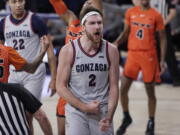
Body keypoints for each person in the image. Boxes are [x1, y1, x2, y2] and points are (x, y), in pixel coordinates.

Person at [56, 6, 119, 135]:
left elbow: (114, 87)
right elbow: (60, 86)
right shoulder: (69, 50)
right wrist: (84, 107)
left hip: (101, 110)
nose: (97, 27)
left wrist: (110, 116)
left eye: (99, 23)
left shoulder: (111, 50)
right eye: (92, 23)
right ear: (83, 27)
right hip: (77, 111)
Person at [0, 0, 56, 135]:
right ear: (9, 3)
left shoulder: (35, 20)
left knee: (30, 113)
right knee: (18, 115)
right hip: (13, 73)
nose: (18, 4)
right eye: (14, 1)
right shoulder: (3, 23)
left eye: (21, 1)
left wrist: (54, 78)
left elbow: (50, 51)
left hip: (33, 72)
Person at [49, 0, 102, 134]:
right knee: (61, 129)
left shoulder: (95, 29)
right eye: (86, 2)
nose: (87, 3)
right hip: (67, 82)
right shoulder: (72, 20)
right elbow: (58, 5)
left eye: (91, 3)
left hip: (84, 83)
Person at [114, 0, 167, 135]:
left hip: (149, 55)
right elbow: (126, 33)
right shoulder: (130, 12)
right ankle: (126, 117)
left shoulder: (156, 15)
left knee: (150, 91)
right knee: (123, 89)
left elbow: (163, 37)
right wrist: (116, 43)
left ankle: (151, 121)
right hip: (133, 54)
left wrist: (162, 60)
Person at [150, 0, 180, 86]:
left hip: (163, 27)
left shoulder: (166, 0)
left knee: (169, 53)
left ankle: (176, 78)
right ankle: (157, 78)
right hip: (151, 28)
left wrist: (163, 23)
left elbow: (172, 12)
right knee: (154, 53)